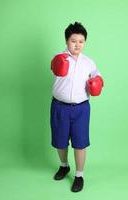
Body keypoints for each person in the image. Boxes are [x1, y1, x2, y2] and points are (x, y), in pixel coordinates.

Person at [50, 22, 103, 192]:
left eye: (81, 41)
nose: (77, 44)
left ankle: (79, 175)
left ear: (85, 42)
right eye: (73, 40)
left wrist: (97, 83)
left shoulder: (89, 63)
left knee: (80, 143)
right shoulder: (60, 58)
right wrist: (59, 64)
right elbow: (54, 69)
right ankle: (64, 166)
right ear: (67, 41)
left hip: (81, 108)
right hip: (60, 107)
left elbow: (99, 78)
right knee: (60, 141)